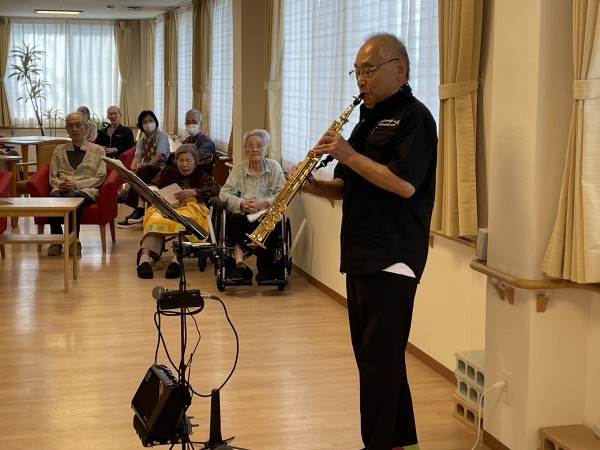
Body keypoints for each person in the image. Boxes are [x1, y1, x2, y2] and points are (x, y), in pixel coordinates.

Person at [293, 32, 437, 450]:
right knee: (379, 361)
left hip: (392, 256)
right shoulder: (365, 120)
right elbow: (345, 186)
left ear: (400, 69)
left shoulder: (416, 118)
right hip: (359, 253)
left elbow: (404, 184)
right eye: (357, 71)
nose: (361, 79)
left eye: (369, 70)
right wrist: (309, 185)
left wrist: (349, 154)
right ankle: (403, 442)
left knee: (378, 363)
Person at [136, 144, 220, 279]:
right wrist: (157, 192)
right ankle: (144, 259)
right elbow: (152, 185)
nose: (184, 164)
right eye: (181, 160)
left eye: (188, 161)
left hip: (190, 208)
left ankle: (177, 260)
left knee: (185, 222)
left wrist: (195, 191)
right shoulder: (167, 171)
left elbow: (216, 189)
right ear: (176, 161)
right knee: (154, 219)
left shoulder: (202, 175)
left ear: (195, 162)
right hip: (166, 206)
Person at [219, 129, 285, 282]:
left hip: (266, 216)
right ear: (245, 150)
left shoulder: (274, 167)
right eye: (250, 145)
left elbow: (282, 195)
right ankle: (239, 264)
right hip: (244, 217)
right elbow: (224, 193)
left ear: (266, 149)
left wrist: (264, 203)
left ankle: (265, 269)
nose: (255, 149)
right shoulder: (239, 168)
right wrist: (241, 203)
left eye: (260, 145)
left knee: (272, 222)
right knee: (234, 219)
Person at [47, 111, 107, 257]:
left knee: (72, 198)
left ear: (86, 127)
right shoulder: (58, 150)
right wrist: (61, 184)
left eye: (78, 125)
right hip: (62, 187)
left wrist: (77, 185)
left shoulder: (98, 150)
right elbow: (52, 176)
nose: (74, 129)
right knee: (52, 199)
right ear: (67, 129)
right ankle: (56, 240)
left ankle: (74, 241)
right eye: (70, 126)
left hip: (86, 189)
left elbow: (101, 176)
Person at [117, 110, 170, 228]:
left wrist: (145, 167)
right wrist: (133, 166)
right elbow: (138, 156)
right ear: (141, 125)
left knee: (143, 171)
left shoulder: (161, 136)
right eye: (145, 121)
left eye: (151, 120)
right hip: (146, 168)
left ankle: (135, 205)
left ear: (156, 121)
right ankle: (137, 210)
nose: (148, 123)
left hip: (161, 168)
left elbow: (159, 155)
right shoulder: (142, 139)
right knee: (135, 172)